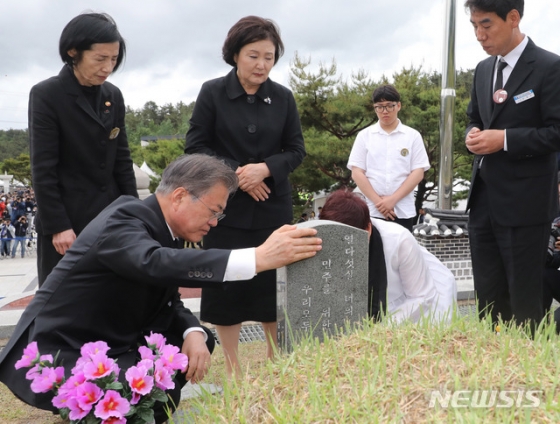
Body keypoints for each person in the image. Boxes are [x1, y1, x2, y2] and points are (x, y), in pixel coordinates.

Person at [0, 154, 322, 423]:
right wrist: (258, 257)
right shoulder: (125, 217)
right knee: (146, 389)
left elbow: (168, 298)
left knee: (198, 340)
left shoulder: (165, 227)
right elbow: (154, 263)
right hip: (64, 345)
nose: (216, 222)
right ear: (180, 196)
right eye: (213, 211)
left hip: (112, 335)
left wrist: (192, 331)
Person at [185, 16, 306, 376]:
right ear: (235, 54)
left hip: (273, 207)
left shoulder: (283, 97)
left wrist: (264, 169)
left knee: (273, 287)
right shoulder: (212, 92)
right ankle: (234, 367)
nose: (262, 64)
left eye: (269, 57)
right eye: (254, 55)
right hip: (225, 209)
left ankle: (275, 360)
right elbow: (196, 146)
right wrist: (241, 173)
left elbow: (296, 150)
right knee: (228, 288)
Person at [463, 0, 560, 328]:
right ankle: (489, 367)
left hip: (527, 204)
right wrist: (472, 135)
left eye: (486, 24)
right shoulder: (483, 69)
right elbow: (474, 119)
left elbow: (557, 132)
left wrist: (504, 140)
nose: (479, 34)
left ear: (514, 18)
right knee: (487, 299)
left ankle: (525, 372)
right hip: (483, 202)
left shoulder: (550, 67)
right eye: (474, 25)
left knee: (524, 301)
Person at [29, 12, 138, 287]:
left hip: (110, 219)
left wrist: (136, 215)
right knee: (63, 304)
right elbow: (43, 167)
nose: (108, 67)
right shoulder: (47, 95)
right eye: (100, 59)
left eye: (113, 59)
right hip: (68, 226)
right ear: (73, 52)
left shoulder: (113, 95)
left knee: (113, 299)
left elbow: (122, 161)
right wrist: (58, 226)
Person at [320, 190, 456, 323]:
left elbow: (421, 296)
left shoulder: (399, 240)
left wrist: (383, 328)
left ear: (368, 227)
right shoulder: (316, 236)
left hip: (413, 297)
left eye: (350, 242)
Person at [347, 85, 430, 232]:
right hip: (372, 210)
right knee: (375, 254)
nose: (384, 111)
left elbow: (418, 172)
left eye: (389, 106)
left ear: (398, 106)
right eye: (379, 107)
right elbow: (357, 172)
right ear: (374, 108)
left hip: (403, 210)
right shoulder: (365, 136)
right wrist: (379, 203)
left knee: (402, 254)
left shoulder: (412, 136)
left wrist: (392, 200)